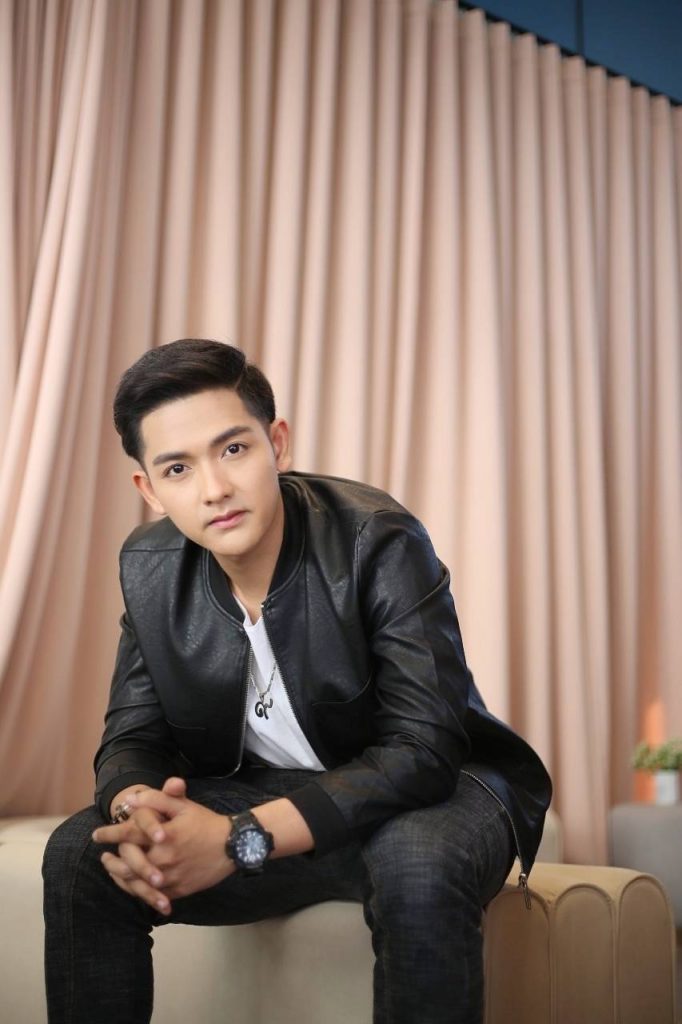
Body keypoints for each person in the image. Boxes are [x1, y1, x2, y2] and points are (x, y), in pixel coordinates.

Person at [43, 338, 551, 1024]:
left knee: (417, 861)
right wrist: (139, 813)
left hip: (431, 797)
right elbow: (133, 735)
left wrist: (237, 840)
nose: (214, 489)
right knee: (83, 854)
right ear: (150, 490)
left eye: (233, 449)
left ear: (276, 444)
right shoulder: (150, 567)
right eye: (178, 468)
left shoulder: (378, 539)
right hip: (283, 804)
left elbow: (423, 751)